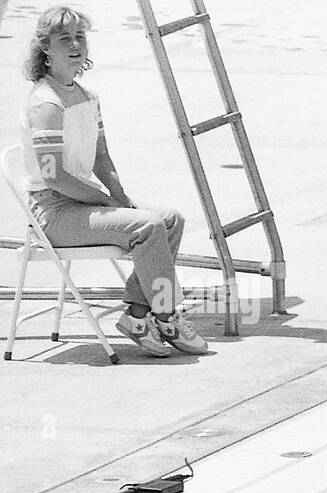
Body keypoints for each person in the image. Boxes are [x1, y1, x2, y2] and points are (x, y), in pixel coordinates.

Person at [18, 5, 206, 357]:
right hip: (54, 213)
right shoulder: (45, 103)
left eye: (80, 37)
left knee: (170, 220)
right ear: (46, 48)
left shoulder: (88, 97)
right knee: (149, 227)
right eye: (64, 39)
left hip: (83, 202)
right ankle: (166, 316)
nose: (75, 45)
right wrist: (102, 199)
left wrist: (119, 196)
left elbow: (102, 159)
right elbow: (53, 176)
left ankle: (137, 316)